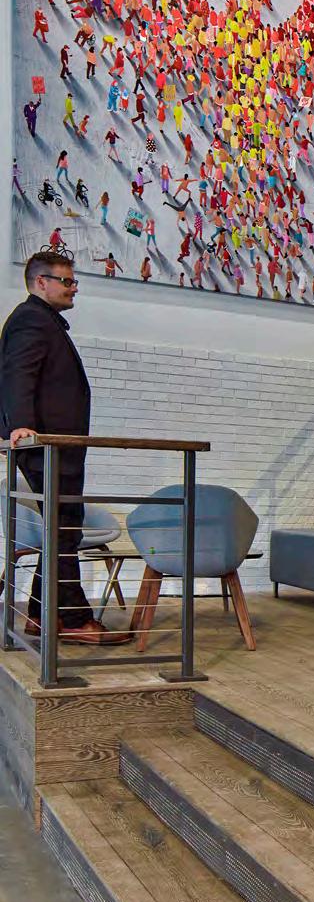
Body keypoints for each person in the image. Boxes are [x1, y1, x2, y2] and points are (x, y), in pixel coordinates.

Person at [0, 248, 129, 644]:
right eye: (67, 281)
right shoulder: (32, 320)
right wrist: (21, 425)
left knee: (62, 530)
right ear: (42, 282)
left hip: (57, 446)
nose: (74, 288)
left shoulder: (42, 321)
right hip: (46, 445)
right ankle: (71, 619)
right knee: (65, 529)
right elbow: (18, 373)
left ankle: (43, 616)